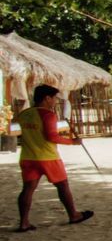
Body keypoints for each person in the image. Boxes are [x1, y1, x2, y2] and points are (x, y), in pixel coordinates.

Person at [15, 84, 93, 231]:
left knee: (27, 189)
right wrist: (73, 142)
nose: (55, 101)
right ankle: (73, 215)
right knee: (63, 186)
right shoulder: (48, 115)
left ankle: (23, 222)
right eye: (54, 98)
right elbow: (51, 136)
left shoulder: (24, 114)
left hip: (27, 156)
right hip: (48, 157)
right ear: (47, 98)